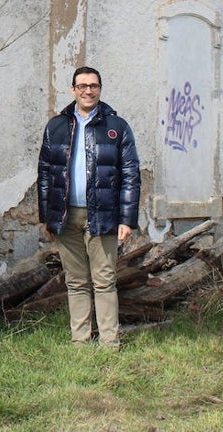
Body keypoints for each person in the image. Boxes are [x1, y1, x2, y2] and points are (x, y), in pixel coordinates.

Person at [37, 65, 141, 347]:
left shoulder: (116, 127)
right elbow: (45, 173)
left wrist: (126, 219)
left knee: (105, 280)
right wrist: (47, 217)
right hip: (66, 215)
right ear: (73, 90)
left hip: (103, 214)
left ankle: (109, 342)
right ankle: (80, 342)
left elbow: (130, 174)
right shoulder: (56, 126)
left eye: (93, 86)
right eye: (82, 86)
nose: (88, 91)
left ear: (100, 89)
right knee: (76, 281)